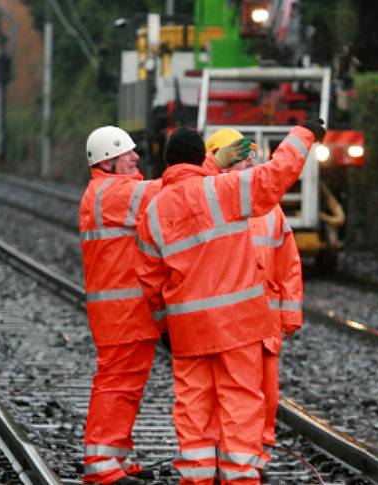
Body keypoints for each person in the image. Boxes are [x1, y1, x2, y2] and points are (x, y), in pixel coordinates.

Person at [135, 121, 323, 485]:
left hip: (188, 330)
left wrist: (163, 327)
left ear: (167, 163)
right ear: (201, 159)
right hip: (238, 326)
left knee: (193, 408)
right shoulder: (223, 190)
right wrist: (304, 134)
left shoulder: (153, 212)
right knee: (240, 404)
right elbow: (276, 174)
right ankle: (239, 477)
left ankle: (198, 477)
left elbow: (150, 280)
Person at [204, 128, 304, 469]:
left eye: (249, 155)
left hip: (265, 326)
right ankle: (230, 460)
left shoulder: (269, 210)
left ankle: (255, 459)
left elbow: (288, 262)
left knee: (267, 397)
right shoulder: (213, 201)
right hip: (229, 326)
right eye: (240, 155)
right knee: (230, 398)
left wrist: (289, 315)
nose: (249, 160)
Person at [79, 126, 163, 484]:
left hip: (128, 312)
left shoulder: (111, 191)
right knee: (116, 385)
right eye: (128, 153)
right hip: (121, 313)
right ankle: (101, 463)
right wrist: (205, 165)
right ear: (109, 162)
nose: (136, 157)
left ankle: (115, 458)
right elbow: (169, 191)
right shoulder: (112, 192)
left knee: (126, 387)